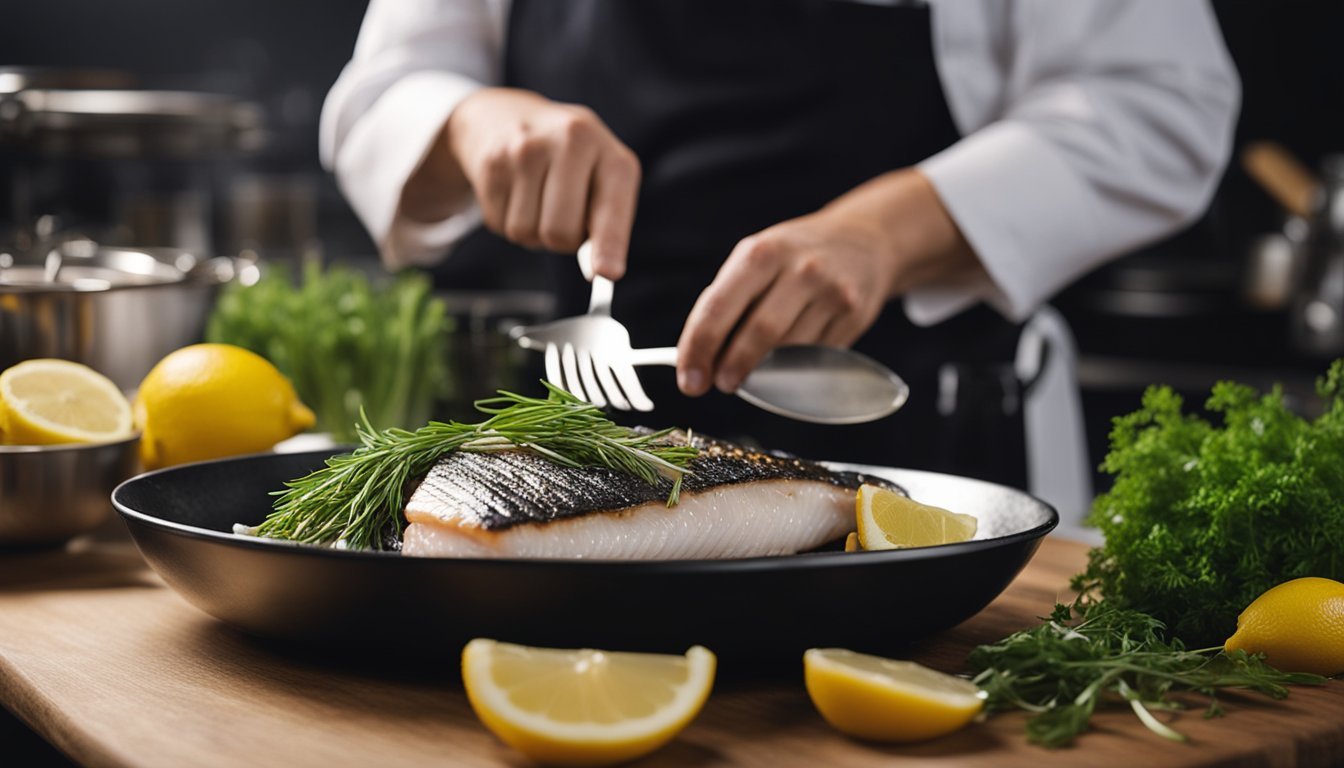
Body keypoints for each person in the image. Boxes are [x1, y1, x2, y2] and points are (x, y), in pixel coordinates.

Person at [319, 0, 1239, 486]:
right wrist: (480, 125)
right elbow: (379, 94)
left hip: (932, 449)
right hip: (583, 462)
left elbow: (1162, 102)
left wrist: (886, 233)